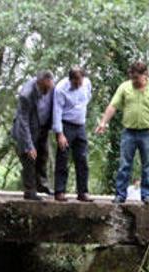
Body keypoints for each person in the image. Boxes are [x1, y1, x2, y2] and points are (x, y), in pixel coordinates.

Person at [95, 61, 149, 205]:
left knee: (148, 164)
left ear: (145, 75)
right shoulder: (124, 87)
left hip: (147, 132)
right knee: (124, 164)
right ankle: (120, 194)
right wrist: (103, 122)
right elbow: (113, 106)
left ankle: (147, 195)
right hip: (129, 132)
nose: (134, 81)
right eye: (132, 78)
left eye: (137, 78)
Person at [12, 70, 56, 201]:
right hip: (26, 129)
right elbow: (23, 121)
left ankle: (41, 185)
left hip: (42, 127)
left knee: (43, 155)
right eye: (45, 89)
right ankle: (30, 191)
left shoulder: (51, 88)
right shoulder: (26, 94)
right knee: (29, 157)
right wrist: (29, 145)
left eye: (49, 88)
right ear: (39, 83)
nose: (47, 92)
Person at [52, 66, 93, 202]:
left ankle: (83, 192)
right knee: (63, 158)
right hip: (66, 125)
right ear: (70, 80)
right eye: (75, 82)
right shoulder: (60, 89)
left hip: (80, 125)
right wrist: (59, 134)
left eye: (80, 81)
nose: (78, 84)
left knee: (82, 159)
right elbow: (56, 112)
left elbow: (87, 98)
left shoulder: (87, 83)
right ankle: (59, 191)